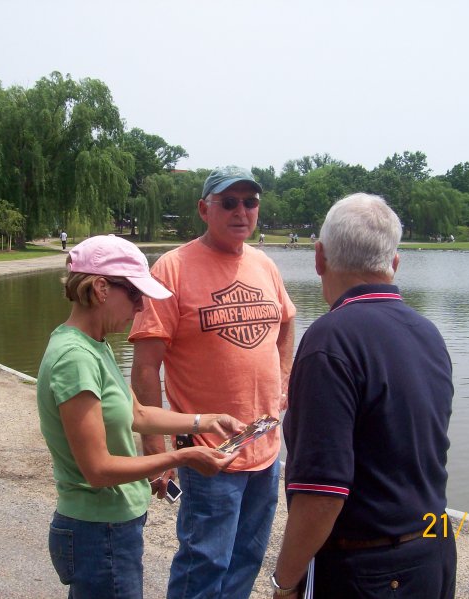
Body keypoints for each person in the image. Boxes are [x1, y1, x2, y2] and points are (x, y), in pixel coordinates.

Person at [36, 235, 243, 599]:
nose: (142, 305)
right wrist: (183, 457)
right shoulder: (75, 359)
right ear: (101, 288)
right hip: (99, 532)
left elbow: (139, 413)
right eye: (135, 294)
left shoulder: (94, 344)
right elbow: (98, 470)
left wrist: (205, 421)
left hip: (109, 529)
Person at [270, 193, 456, 598]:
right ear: (394, 262)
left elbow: (322, 492)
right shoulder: (427, 332)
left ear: (319, 257)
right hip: (434, 552)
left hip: (367, 570)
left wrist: (284, 582)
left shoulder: (330, 340)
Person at [129, 165, 296, 598]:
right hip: (208, 453)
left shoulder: (264, 264)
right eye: (229, 202)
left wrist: (284, 382)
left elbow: (287, 322)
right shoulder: (172, 269)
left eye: (250, 202)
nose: (241, 211)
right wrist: (158, 453)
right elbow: (145, 368)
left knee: (247, 558)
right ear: (205, 209)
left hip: (265, 446)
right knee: (205, 561)